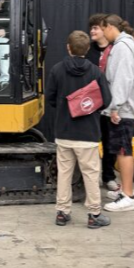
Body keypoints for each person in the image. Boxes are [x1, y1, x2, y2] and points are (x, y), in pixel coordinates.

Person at [46, 30, 111, 229]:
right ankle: (93, 215)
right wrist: (88, 109)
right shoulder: (95, 72)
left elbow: (50, 97)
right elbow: (106, 100)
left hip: (64, 132)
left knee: (64, 173)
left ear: (68, 47)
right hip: (88, 133)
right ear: (87, 48)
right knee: (91, 174)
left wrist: (67, 109)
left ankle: (62, 213)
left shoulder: (57, 70)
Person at [99, 14, 134, 214]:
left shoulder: (122, 47)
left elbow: (123, 79)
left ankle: (128, 195)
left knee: (124, 151)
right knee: (121, 149)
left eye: (102, 29)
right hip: (122, 107)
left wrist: (115, 106)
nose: (101, 34)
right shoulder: (124, 45)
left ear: (109, 27)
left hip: (123, 109)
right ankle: (125, 192)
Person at [87, 14, 119, 193]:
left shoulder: (116, 49)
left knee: (110, 142)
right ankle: (92, 176)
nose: (93, 31)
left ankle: (109, 176)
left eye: (96, 28)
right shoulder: (88, 50)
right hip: (91, 104)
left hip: (109, 104)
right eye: (91, 28)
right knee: (90, 142)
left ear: (106, 30)